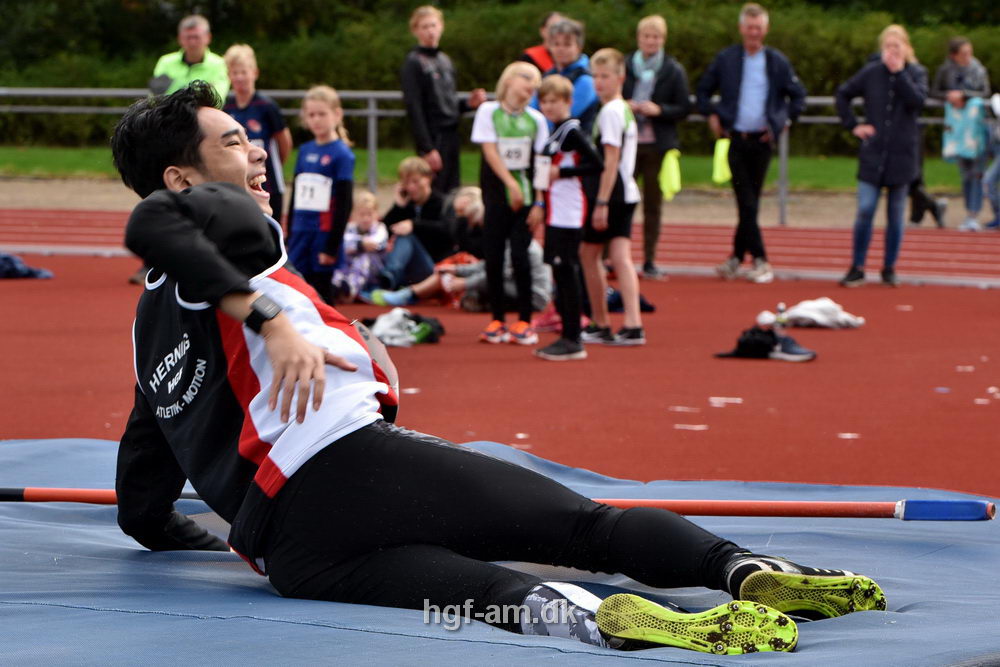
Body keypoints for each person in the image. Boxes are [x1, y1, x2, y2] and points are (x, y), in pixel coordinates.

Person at [109, 82, 887, 656]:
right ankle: (741, 569)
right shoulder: (229, 223)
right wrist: (273, 320)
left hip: (293, 554)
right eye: (232, 144)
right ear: (181, 179)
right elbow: (155, 222)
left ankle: (606, 623)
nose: (255, 157)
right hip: (350, 467)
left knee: (489, 594)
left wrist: (186, 535)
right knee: (590, 529)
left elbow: (140, 490)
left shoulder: (147, 333)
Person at [696, 3, 807, 284]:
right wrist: (712, 114)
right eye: (750, 27)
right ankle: (757, 258)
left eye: (759, 28)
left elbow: (798, 96)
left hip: (762, 141)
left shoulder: (776, 62)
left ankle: (740, 258)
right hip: (736, 139)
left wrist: (783, 121)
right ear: (741, 29)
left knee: (750, 203)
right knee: (746, 201)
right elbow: (703, 91)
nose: (754, 33)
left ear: (766, 29)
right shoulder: (727, 59)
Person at [835, 25, 927, 288]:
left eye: (897, 46)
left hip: (902, 154)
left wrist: (899, 74)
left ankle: (889, 267)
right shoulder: (871, 73)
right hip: (873, 153)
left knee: (896, 215)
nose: (892, 52)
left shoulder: (916, 73)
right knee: (865, 209)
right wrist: (854, 125)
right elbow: (843, 94)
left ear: (906, 48)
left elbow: (917, 101)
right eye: (888, 46)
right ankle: (857, 265)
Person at [471, 62, 549, 345]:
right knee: (492, 255)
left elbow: (541, 163)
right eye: (527, 78)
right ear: (509, 80)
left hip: (526, 200)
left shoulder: (536, 120)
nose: (532, 86)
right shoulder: (488, 112)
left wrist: (540, 202)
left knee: (520, 255)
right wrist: (510, 183)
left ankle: (525, 320)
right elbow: (489, 151)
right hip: (496, 197)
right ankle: (497, 319)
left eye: (536, 82)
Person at [534, 74, 604, 361]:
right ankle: (567, 332)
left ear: (568, 102)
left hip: (570, 211)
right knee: (559, 270)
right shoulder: (555, 131)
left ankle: (573, 337)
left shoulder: (572, 131)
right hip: (555, 211)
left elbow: (596, 163)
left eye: (555, 101)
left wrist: (560, 173)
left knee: (567, 271)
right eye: (545, 101)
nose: (549, 106)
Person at [579, 49, 645, 347]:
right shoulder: (622, 109)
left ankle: (601, 321)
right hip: (626, 191)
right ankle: (632, 323)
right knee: (619, 258)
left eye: (605, 76)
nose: (599, 82)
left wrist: (601, 202)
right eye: (595, 76)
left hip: (612, 193)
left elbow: (611, 159)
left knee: (588, 255)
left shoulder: (610, 112)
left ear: (620, 77)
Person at [624, 14, 692, 280]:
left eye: (656, 37)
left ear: (663, 40)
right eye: (646, 36)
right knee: (620, 202)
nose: (651, 41)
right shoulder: (626, 65)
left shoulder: (673, 69)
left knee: (653, 205)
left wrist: (659, 109)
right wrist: (624, 105)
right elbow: (607, 95)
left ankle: (649, 259)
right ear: (639, 38)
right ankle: (613, 257)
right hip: (627, 143)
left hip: (657, 145)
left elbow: (684, 107)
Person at [400, 5, 487, 194]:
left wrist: (467, 104)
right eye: (424, 27)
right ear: (415, 30)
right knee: (433, 190)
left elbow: (448, 102)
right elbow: (414, 107)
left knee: (452, 189)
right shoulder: (414, 62)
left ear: (441, 26)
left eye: (433, 25)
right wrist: (427, 148)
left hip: (451, 133)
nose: (430, 31)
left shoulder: (445, 60)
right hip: (433, 135)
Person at [286, 85, 355, 304]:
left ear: (337, 114)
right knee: (296, 288)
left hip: (322, 233)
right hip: (300, 231)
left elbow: (345, 203)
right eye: (311, 115)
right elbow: (296, 193)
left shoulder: (342, 154)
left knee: (322, 293)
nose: (316, 120)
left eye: (322, 114)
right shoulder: (305, 150)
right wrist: (289, 232)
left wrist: (332, 245)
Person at [222, 44, 292, 222]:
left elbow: (285, 143)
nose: (239, 77)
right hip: (239, 183)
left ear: (254, 73)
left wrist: (267, 166)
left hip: (268, 184)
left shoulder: (267, 106)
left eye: (243, 72)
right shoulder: (226, 107)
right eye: (235, 72)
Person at [933, 38, 992, 231]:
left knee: (977, 172)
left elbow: (986, 92)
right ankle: (969, 211)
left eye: (969, 52)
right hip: (957, 129)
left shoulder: (978, 70)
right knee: (965, 173)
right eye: (963, 53)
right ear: (953, 55)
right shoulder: (946, 70)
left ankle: (973, 213)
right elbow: (934, 91)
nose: (968, 57)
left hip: (975, 130)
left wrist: (965, 95)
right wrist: (948, 96)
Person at [377, 157, 456, 291]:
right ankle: (388, 278)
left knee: (406, 236)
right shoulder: (406, 205)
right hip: (408, 267)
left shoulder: (443, 203)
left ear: (428, 178)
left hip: (432, 267)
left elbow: (448, 231)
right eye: (407, 183)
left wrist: (414, 225)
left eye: (416, 181)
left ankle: (389, 276)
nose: (411, 187)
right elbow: (383, 232)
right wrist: (398, 206)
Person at [531, 18, 600, 133]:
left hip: (574, 146)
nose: (561, 49)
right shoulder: (547, 75)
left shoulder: (587, 79)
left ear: (579, 47)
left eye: (567, 45)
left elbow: (562, 118)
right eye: (556, 44)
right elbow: (532, 110)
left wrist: (536, 129)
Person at [150, 14, 229, 100]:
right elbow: (155, 97)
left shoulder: (219, 64)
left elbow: (217, 99)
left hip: (202, 113)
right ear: (180, 38)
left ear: (208, 37)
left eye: (196, 37)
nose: (192, 42)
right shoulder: (165, 62)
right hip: (168, 113)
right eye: (188, 37)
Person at [331, 191, 389, 303]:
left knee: (363, 257)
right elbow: (344, 243)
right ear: (353, 215)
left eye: (369, 214)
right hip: (350, 267)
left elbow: (375, 243)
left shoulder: (380, 228)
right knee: (341, 257)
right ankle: (337, 284)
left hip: (374, 271)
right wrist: (360, 244)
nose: (366, 219)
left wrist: (358, 245)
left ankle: (351, 290)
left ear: (376, 214)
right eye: (362, 215)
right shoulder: (349, 228)